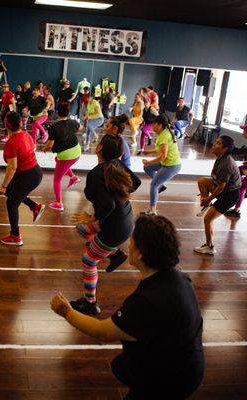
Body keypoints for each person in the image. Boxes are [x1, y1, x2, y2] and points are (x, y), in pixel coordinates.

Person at [50, 214, 204, 400]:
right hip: (187, 364)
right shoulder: (178, 277)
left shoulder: (147, 302)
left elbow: (102, 332)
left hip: (172, 378)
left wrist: (66, 312)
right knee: (121, 365)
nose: (127, 246)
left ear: (140, 253)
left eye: (131, 241)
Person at [70, 134, 141, 315]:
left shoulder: (95, 174)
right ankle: (116, 254)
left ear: (100, 148)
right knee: (80, 228)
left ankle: (90, 303)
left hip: (114, 228)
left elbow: (108, 205)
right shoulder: (117, 164)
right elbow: (137, 182)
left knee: (88, 261)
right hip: (124, 219)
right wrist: (121, 193)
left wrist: (92, 218)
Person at [0, 111, 45, 246]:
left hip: (28, 176)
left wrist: (3, 185)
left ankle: (15, 236)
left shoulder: (11, 143)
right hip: (34, 171)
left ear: (6, 125)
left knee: (11, 203)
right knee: (11, 192)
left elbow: (12, 167)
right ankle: (35, 206)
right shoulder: (25, 134)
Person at [194, 135, 241, 255]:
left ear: (225, 148)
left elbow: (221, 187)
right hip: (224, 190)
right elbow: (217, 183)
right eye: (215, 142)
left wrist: (209, 198)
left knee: (208, 219)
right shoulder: (221, 158)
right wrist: (206, 197)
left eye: (218, 143)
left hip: (229, 195)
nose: (214, 144)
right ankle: (206, 205)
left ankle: (210, 247)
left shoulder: (226, 164)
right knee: (202, 181)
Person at [43, 101, 82, 211]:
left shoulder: (54, 127)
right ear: (68, 112)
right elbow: (80, 128)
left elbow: (49, 146)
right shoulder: (73, 122)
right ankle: (73, 177)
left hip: (67, 155)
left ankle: (59, 203)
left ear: (57, 113)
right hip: (77, 152)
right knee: (57, 159)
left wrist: (44, 148)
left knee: (57, 180)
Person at [141, 114, 182, 215]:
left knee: (154, 185)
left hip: (172, 166)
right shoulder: (164, 133)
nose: (152, 126)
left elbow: (162, 156)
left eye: (153, 124)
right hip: (166, 163)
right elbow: (161, 148)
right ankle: (161, 185)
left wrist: (149, 162)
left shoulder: (164, 136)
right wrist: (149, 152)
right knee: (147, 168)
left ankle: (153, 210)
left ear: (159, 125)